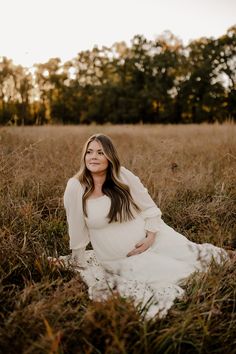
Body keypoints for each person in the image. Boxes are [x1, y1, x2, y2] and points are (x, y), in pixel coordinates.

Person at [63, 133, 230, 317]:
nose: (93, 157)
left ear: (110, 157)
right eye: (89, 152)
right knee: (188, 275)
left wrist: (150, 238)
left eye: (100, 152)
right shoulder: (76, 187)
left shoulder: (122, 176)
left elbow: (150, 208)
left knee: (206, 257)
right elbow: (76, 230)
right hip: (123, 258)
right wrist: (77, 261)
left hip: (155, 237)